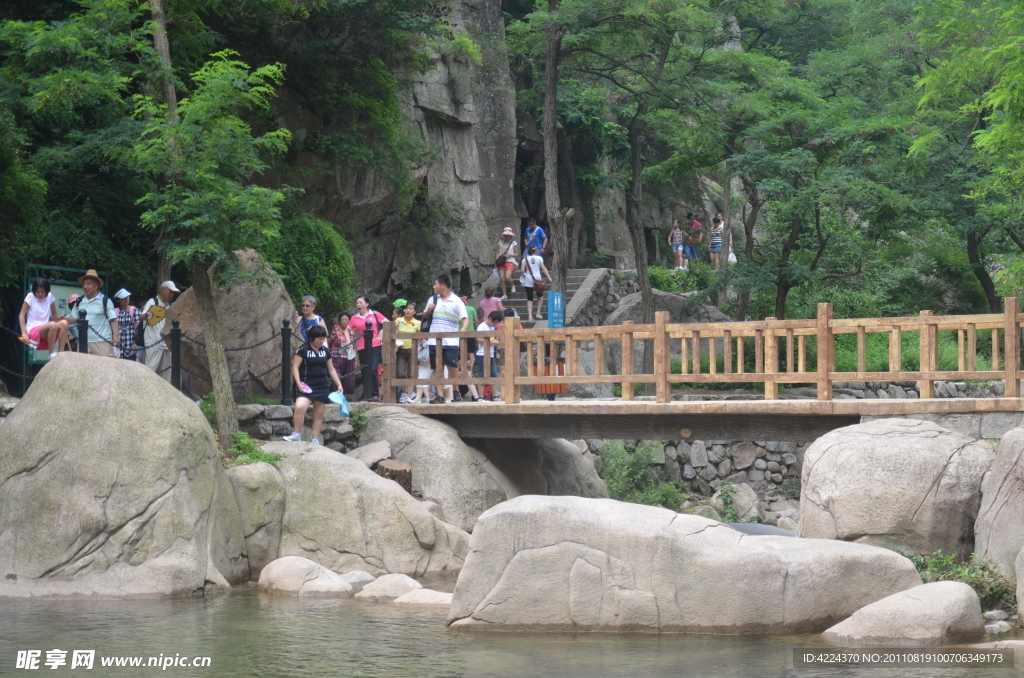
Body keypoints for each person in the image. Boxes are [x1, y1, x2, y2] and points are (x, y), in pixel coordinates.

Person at [282, 325, 343, 445]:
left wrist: (339, 384)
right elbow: (295, 367)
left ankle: (315, 440)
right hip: (306, 386)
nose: (321, 341)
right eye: (319, 338)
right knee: (300, 407)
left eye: (323, 338)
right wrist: (299, 385)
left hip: (322, 386)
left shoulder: (325, 351)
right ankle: (297, 434)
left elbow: (331, 369)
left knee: (318, 414)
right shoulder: (302, 350)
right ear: (312, 338)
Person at [424, 274, 468, 404]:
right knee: (437, 367)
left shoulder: (456, 301)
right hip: (434, 339)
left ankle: (456, 390)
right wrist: (429, 310)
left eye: (435, 284)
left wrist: (464, 328)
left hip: (451, 339)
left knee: (452, 365)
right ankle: (440, 395)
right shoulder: (432, 299)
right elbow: (425, 317)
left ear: (443, 286)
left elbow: (464, 318)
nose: (434, 286)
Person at [63, 269, 119, 357]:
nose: (85, 286)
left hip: (102, 342)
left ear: (96, 285)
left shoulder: (105, 300)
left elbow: (113, 320)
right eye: (84, 284)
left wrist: (116, 336)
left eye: (88, 284)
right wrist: (64, 320)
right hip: (83, 341)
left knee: (103, 367)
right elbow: (74, 318)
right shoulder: (79, 301)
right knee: (83, 368)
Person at [348, 296, 388, 401]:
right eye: (357, 303)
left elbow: (388, 323)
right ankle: (367, 394)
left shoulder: (374, 314)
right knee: (365, 370)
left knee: (373, 368)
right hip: (361, 347)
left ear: (367, 304)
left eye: (361, 302)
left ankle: (375, 394)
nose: (358, 305)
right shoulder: (354, 317)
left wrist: (381, 335)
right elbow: (346, 330)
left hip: (375, 345)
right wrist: (349, 342)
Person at [19, 278, 70, 359]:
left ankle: (61, 352)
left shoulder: (50, 296)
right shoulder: (30, 296)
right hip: (33, 331)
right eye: (38, 291)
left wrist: (56, 327)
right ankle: (51, 354)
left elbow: (54, 313)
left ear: (47, 291)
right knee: (52, 325)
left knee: (64, 323)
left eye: (42, 292)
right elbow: (21, 315)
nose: (40, 294)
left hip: (46, 330)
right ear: (34, 291)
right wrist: (24, 333)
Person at [143, 281, 180, 380]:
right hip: (153, 341)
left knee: (167, 373)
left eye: (173, 292)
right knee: (150, 369)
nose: (171, 294)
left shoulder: (169, 306)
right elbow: (142, 315)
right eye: (170, 291)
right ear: (163, 289)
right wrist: (148, 314)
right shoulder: (153, 301)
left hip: (166, 343)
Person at [468, 310, 503, 402]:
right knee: (482, 375)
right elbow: (478, 339)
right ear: (490, 318)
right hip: (482, 354)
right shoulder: (482, 326)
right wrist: (492, 342)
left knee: (494, 375)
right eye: (494, 322)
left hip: (490, 353)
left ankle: (494, 395)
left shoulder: (491, 327)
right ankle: (480, 396)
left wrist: (494, 342)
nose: (494, 325)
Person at [395, 302, 421, 403]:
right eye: (407, 308)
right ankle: (405, 392)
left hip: (412, 350)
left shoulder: (417, 323)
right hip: (401, 349)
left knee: (411, 374)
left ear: (414, 312)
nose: (408, 310)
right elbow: (392, 330)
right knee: (400, 373)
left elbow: (419, 337)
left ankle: (409, 396)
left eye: (411, 309)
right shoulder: (398, 320)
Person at [521, 245, 552, 321]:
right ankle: (538, 313)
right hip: (537, 278)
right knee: (540, 296)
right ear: (535, 251)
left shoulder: (525, 259)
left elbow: (522, 270)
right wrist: (549, 277)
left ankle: (530, 316)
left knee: (529, 298)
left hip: (528, 278)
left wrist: (525, 273)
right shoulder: (539, 258)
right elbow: (543, 268)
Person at [330, 312, 358, 396]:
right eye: (342, 319)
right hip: (336, 356)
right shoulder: (335, 331)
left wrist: (356, 360)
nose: (344, 321)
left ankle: (346, 395)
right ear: (339, 321)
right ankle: (335, 393)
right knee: (337, 375)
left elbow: (354, 346)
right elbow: (329, 342)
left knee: (349, 377)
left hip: (349, 357)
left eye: (346, 319)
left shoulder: (352, 332)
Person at [113, 289, 142, 362]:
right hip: (118, 344)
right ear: (118, 300)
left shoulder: (135, 310)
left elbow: (139, 328)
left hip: (131, 344)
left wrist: (137, 343)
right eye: (123, 298)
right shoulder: (115, 311)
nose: (126, 299)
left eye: (127, 297)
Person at [495, 226, 519, 299]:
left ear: (511, 235)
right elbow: (498, 252)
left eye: (508, 235)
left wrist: (509, 255)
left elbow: (516, 253)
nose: (506, 236)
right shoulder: (500, 242)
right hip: (501, 261)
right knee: (502, 278)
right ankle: (504, 294)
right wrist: (496, 261)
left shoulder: (514, 243)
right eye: (505, 235)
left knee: (507, 277)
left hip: (510, 261)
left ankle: (512, 284)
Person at [414, 336, 432, 404]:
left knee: (422, 377)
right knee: (423, 378)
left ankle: (419, 398)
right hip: (427, 359)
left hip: (428, 358)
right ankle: (424, 398)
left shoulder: (423, 339)